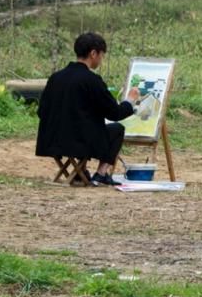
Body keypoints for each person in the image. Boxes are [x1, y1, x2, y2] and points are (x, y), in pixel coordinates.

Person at [35, 31, 141, 186]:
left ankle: (81, 172)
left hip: (51, 140)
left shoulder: (55, 77)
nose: (101, 60)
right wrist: (130, 101)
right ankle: (101, 173)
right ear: (93, 53)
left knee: (85, 126)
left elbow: (41, 111)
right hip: (80, 142)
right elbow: (115, 113)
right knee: (116, 129)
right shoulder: (92, 80)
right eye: (101, 55)